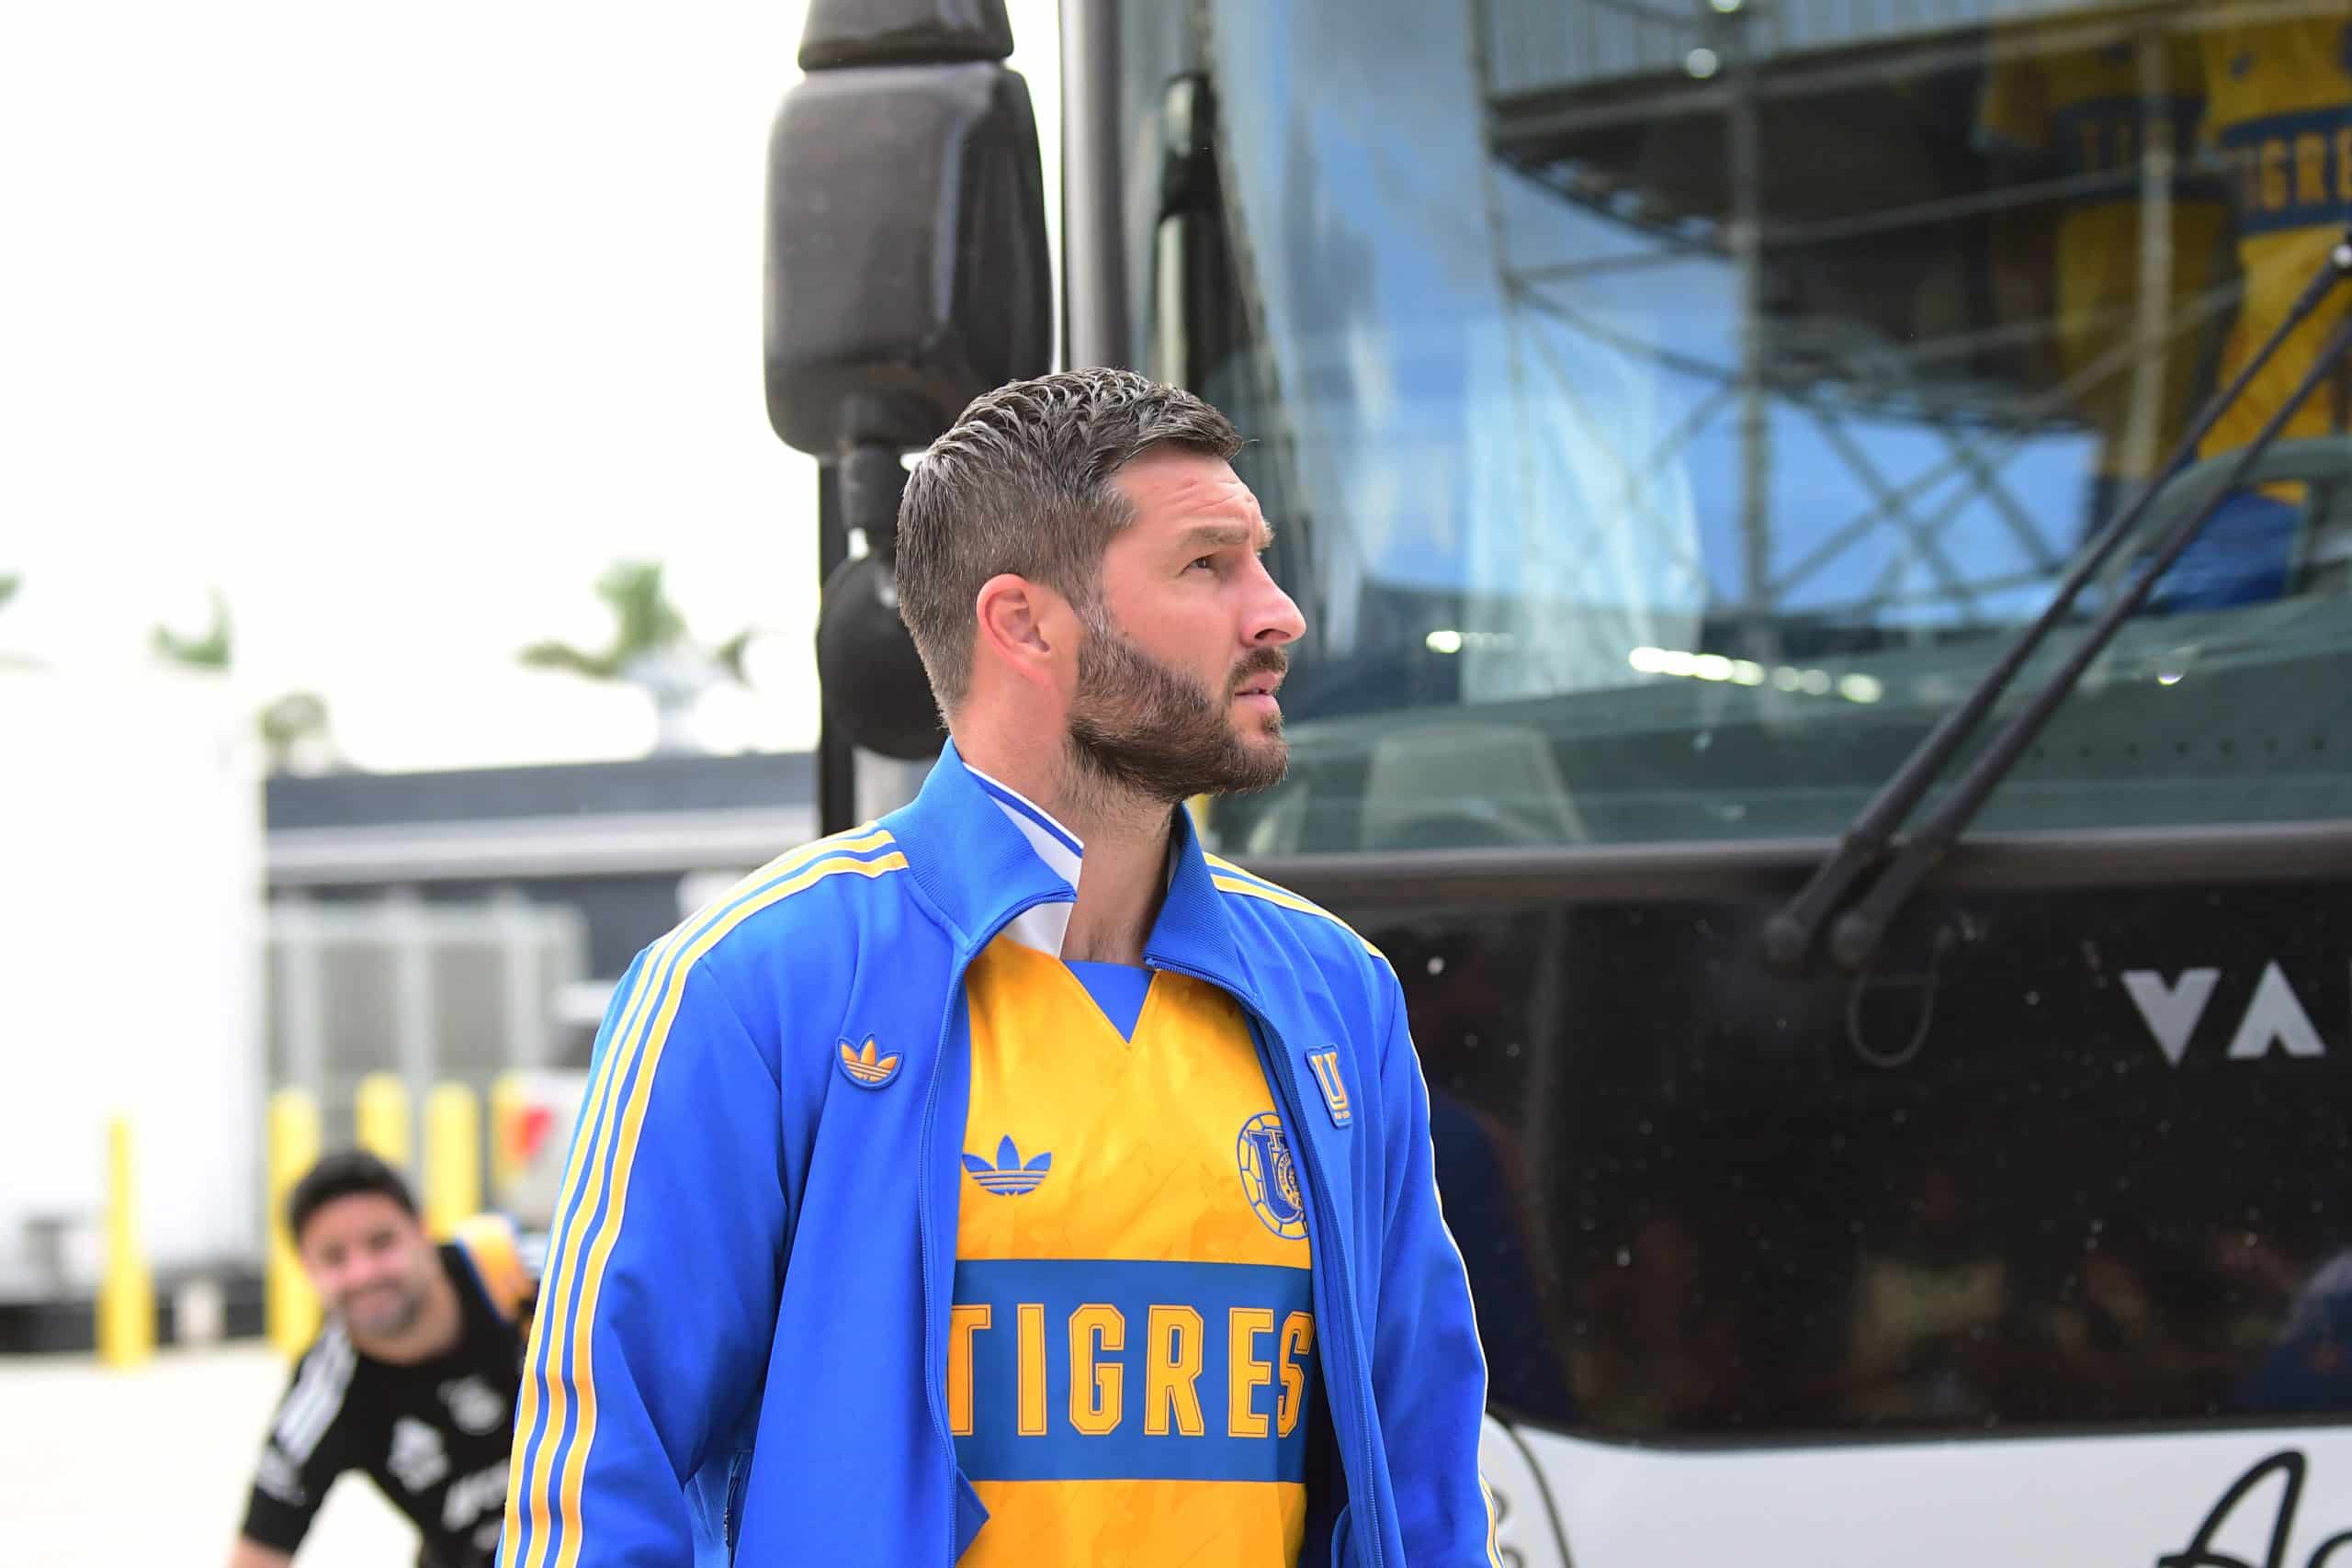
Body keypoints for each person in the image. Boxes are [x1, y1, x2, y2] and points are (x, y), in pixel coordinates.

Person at [499, 368, 1499, 1567]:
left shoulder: (1335, 992)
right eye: (1207, 564)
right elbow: (600, 1484)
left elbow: (1424, 1478)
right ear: (1024, 624)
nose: (1278, 613)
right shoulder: (753, 984)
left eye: (1263, 561)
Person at [231, 1150, 537, 1568]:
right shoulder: (325, 1392)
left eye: (381, 1243)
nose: (363, 1273)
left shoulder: (525, 1276)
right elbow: (256, 1556)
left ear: (422, 1229)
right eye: (334, 1258)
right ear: (306, 1270)